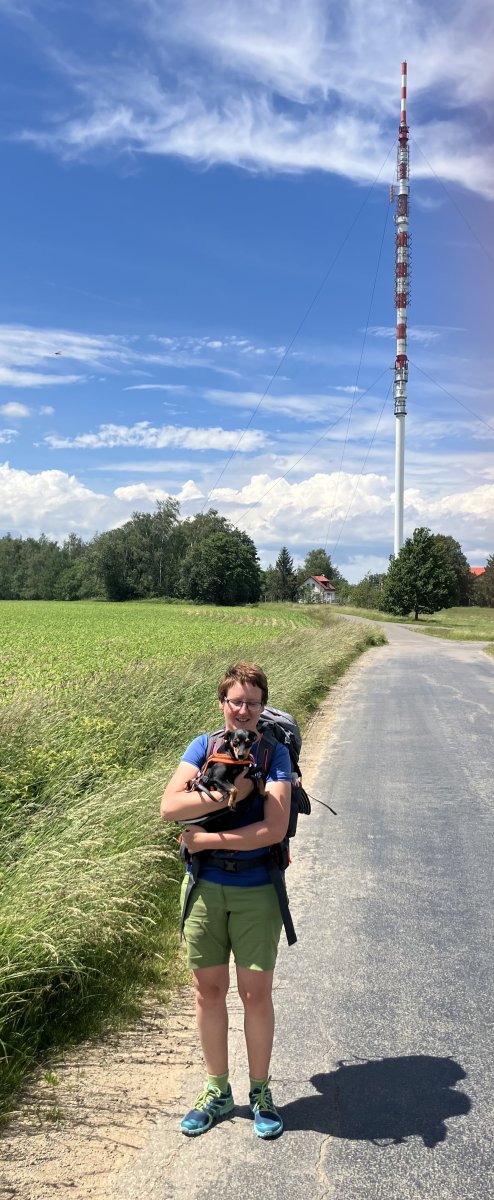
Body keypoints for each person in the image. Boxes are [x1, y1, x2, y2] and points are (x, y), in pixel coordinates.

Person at [160, 661, 291, 1139]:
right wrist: (234, 793)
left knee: (255, 995)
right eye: (236, 701)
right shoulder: (203, 746)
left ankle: (260, 1092)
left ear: (263, 707)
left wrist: (206, 839)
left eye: (253, 702)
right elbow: (170, 807)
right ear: (223, 703)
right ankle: (217, 1091)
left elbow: (273, 829)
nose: (243, 709)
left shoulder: (275, 754)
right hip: (204, 887)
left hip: (256, 886)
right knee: (208, 992)